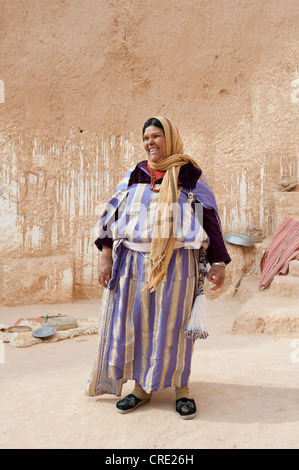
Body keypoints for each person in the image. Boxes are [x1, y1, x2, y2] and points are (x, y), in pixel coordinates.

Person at [86, 116, 231, 419]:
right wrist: (106, 257)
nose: (150, 143)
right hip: (134, 263)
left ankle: (181, 388)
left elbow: (209, 221)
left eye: (157, 136)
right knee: (137, 323)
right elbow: (110, 218)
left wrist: (218, 261)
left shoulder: (190, 176)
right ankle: (142, 388)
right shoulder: (134, 175)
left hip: (179, 263)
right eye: (146, 138)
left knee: (176, 326)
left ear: (170, 138)